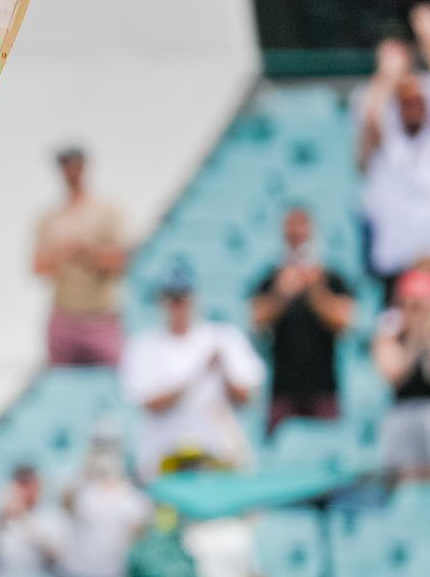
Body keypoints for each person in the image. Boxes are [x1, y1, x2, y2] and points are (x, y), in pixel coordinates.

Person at [120, 265, 266, 478]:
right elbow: (151, 404)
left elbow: (246, 397)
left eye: (182, 297)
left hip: (217, 455)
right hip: (163, 459)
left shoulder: (224, 336)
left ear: (194, 298)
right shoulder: (143, 345)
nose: (178, 305)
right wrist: (199, 372)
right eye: (172, 298)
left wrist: (222, 369)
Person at [250, 206, 356, 435]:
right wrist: (282, 294)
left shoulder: (331, 278)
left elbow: (344, 322)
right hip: (282, 390)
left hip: (323, 390)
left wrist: (316, 291)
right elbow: (256, 319)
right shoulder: (271, 278)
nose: (296, 235)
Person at [358, 4, 430, 297]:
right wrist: (389, 71)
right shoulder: (386, 142)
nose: (413, 103)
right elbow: (370, 117)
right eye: (405, 100)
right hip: (397, 271)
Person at [32, 146, 134, 366]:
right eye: (65, 165)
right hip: (64, 318)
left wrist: (84, 254)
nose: (69, 171)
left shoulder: (106, 211)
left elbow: (120, 262)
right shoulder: (50, 218)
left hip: (101, 318)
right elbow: (38, 268)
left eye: (73, 164)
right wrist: (61, 256)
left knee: (114, 381)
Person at [53, 421, 152, 577]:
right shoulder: (81, 489)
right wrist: (85, 468)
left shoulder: (134, 497)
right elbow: (64, 503)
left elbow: (138, 537)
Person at [373, 268, 430, 482]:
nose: (416, 312)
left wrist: (429, 336)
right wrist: (412, 339)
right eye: (409, 305)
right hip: (402, 412)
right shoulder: (389, 334)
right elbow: (395, 375)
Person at [0, 464, 65, 577]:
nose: (27, 491)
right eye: (22, 485)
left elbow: (57, 559)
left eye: (32, 485)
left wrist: (23, 518)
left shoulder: (53, 516)